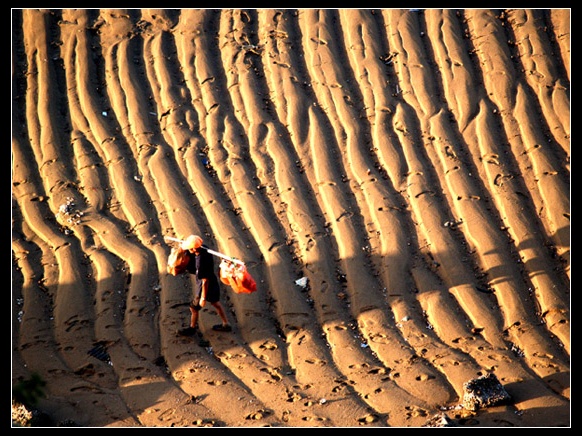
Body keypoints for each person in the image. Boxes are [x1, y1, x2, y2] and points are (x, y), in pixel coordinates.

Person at [177, 234, 232, 336]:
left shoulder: (201, 262)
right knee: (215, 303)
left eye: (189, 249)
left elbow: (205, 281)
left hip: (205, 286)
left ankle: (192, 328)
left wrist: (203, 297)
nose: (188, 250)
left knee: (194, 308)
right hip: (213, 281)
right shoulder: (204, 249)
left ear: (194, 249)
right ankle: (226, 324)